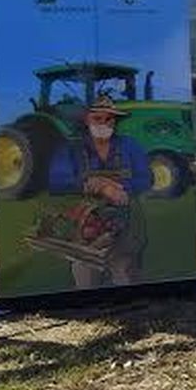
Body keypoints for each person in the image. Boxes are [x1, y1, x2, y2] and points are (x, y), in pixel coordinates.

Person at [46, 94, 151, 288]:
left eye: (109, 119)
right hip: (85, 230)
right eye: (97, 118)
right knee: (85, 277)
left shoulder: (130, 146)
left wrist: (122, 189)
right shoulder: (70, 148)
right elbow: (56, 181)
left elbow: (146, 179)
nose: (104, 123)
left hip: (128, 225)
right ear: (87, 120)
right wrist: (93, 184)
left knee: (127, 274)